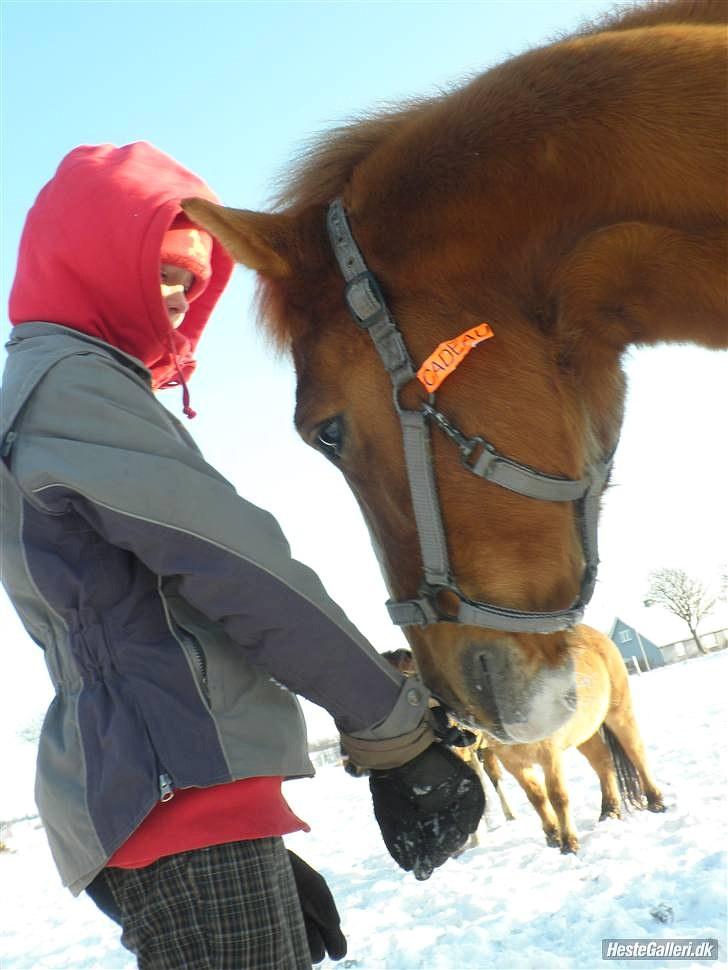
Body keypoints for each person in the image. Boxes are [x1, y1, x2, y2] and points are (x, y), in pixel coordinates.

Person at [0, 142, 484, 970]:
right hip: (172, 793)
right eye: (159, 273)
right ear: (86, 261)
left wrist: (235, 834)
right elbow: (240, 569)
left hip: (166, 792)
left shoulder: (56, 388)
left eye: (193, 280)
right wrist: (395, 731)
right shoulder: (73, 387)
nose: (182, 300)